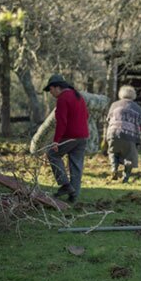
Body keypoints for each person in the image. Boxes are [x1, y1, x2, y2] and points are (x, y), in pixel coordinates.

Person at [43, 74, 89, 203]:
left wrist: (56, 140)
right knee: (76, 165)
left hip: (70, 136)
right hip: (83, 136)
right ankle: (73, 197)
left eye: (50, 90)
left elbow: (61, 121)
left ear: (57, 87)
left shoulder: (63, 98)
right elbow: (86, 115)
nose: (50, 93)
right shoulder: (77, 95)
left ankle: (65, 185)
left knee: (52, 154)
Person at [106, 85, 141, 183]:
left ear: (121, 94)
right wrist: (140, 134)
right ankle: (125, 178)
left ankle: (114, 169)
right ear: (133, 95)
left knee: (113, 152)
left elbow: (108, 119)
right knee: (130, 156)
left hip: (113, 133)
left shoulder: (114, 105)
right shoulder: (138, 108)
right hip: (130, 135)